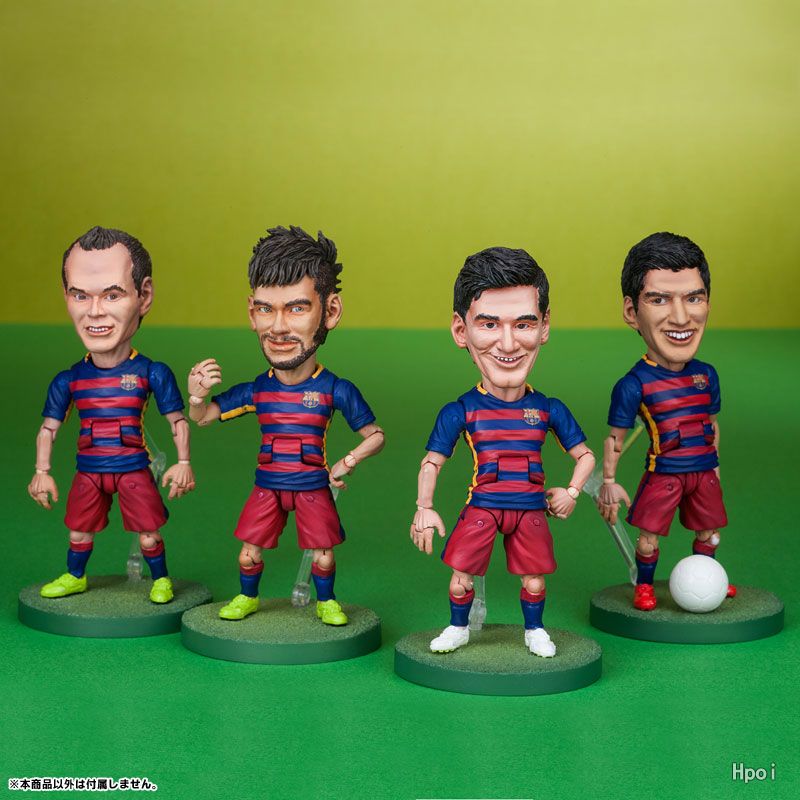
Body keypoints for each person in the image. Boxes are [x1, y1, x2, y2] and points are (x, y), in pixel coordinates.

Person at [188, 226, 384, 624]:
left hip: (312, 485)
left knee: (323, 554)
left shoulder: (336, 390)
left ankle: (326, 601)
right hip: (268, 484)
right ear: (251, 313)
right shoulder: (258, 390)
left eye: (295, 308)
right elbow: (204, 418)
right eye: (266, 309)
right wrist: (196, 397)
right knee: (248, 551)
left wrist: (348, 461)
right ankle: (247, 597)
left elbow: (375, 436)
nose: (278, 327)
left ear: (330, 311)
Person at [410, 247, 595, 656]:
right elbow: (432, 462)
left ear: (544, 327)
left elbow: (585, 456)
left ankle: (535, 630)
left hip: (529, 508)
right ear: (461, 331)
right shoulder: (461, 410)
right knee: (461, 574)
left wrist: (572, 492)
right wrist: (424, 506)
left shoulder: (548, 409)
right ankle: (458, 627)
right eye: (489, 324)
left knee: (535, 579)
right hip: (483, 506)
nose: (508, 343)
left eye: (524, 324)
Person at [29, 226, 195, 604]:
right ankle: (75, 575)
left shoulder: (151, 372)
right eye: (80, 295)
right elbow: (48, 430)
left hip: (133, 466)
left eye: (112, 294)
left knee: (148, 532)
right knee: (78, 531)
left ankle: (161, 579)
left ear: (144, 296)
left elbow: (177, 421)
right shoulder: (69, 379)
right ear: (66, 297)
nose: (95, 311)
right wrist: (41, 471)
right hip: (89, 468)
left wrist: (184, 462)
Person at [597, 231, 734, 610]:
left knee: (710, 532)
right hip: (665, 473)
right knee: (648, 538)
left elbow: (711, 424)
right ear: (631, 312)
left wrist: (715, 465)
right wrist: (608, 482)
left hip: (702, 470)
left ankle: (709, 575)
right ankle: (644, 585)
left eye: (694, 298)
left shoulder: (706, 374)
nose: (681, 317)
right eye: (659, 300)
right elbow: (615, 438)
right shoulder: (634, 384)